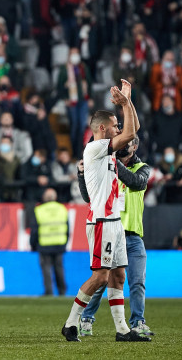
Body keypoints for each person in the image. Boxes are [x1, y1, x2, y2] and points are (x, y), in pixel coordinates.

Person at [60, 80, 150, 343]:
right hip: (101, 221)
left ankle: (122, 330)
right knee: (100, 276)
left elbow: (134, 130)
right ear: (102, 128)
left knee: (119, 275)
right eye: (114, 125)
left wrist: (127, 102)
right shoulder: (95, 148)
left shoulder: (108, 152)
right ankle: (71, 322)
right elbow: (131, 133)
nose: (118, 128)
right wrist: (124, 104)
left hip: (115, 222)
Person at [77, 137, 154, 337]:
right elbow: (88, 197)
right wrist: (81, 174)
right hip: (111, 231)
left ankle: (137, 322)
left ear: (134, 146)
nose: (120, 146)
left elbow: (135, 183)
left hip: (133, 234)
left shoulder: (142, 168)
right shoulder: (106, 167)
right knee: (102, 280)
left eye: (125, 143)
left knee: (137, 281)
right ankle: (86, 318)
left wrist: (112, 160)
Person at [30, 188, 69, 296]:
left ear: (44, 198)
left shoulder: (39, 210)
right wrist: (65, 242)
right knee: (59, 268)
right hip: (59, 243)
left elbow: (34, 230)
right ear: (55, 197)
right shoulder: (62, 209)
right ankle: (62, 291)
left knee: (46, 269)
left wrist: (33, 245)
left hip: (44, 244)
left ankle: (49, 291)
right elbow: (67, 228)